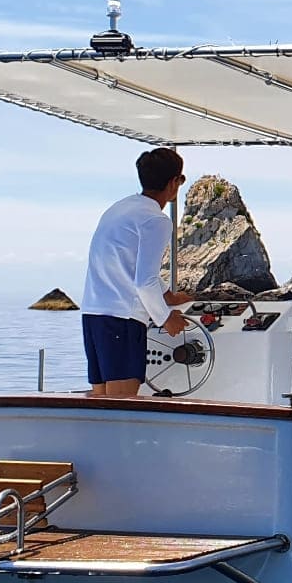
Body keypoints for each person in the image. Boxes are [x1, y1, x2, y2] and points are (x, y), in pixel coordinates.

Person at [82, 147, 193, 397]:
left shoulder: (119, 209)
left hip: (94, 313)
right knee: (121, 404)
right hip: (122, 318)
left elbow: (126, 264)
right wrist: (166, 317)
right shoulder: (156, 219)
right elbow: (144, 280)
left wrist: (168, 295)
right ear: (174, 182)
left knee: (100, 400)